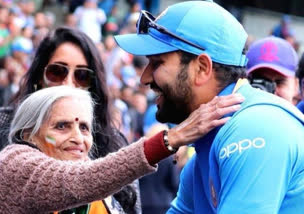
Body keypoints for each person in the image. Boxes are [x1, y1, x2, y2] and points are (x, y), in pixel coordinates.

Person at [114, 1, 304, 213]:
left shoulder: (254, 128)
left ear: (203, 68)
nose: (144, 77)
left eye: (157, 63)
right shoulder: (211, 139)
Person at [0, 85, 243, 213]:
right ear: (28, 134)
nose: (78, 138)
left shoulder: (100, 193)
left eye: (84, 128)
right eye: (62, 126)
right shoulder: (15, 162)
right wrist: (171, 138)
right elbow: (79, 182)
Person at [0, 27, 138, 213]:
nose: (69, 83)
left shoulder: (114, 142)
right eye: (57, 72)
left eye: (82, 76)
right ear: (39, 77)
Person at [246, 36, 300, 105]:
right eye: (262, 81)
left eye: (279, 82)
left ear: (296, 85)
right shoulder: (234, 113)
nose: (271, 90)